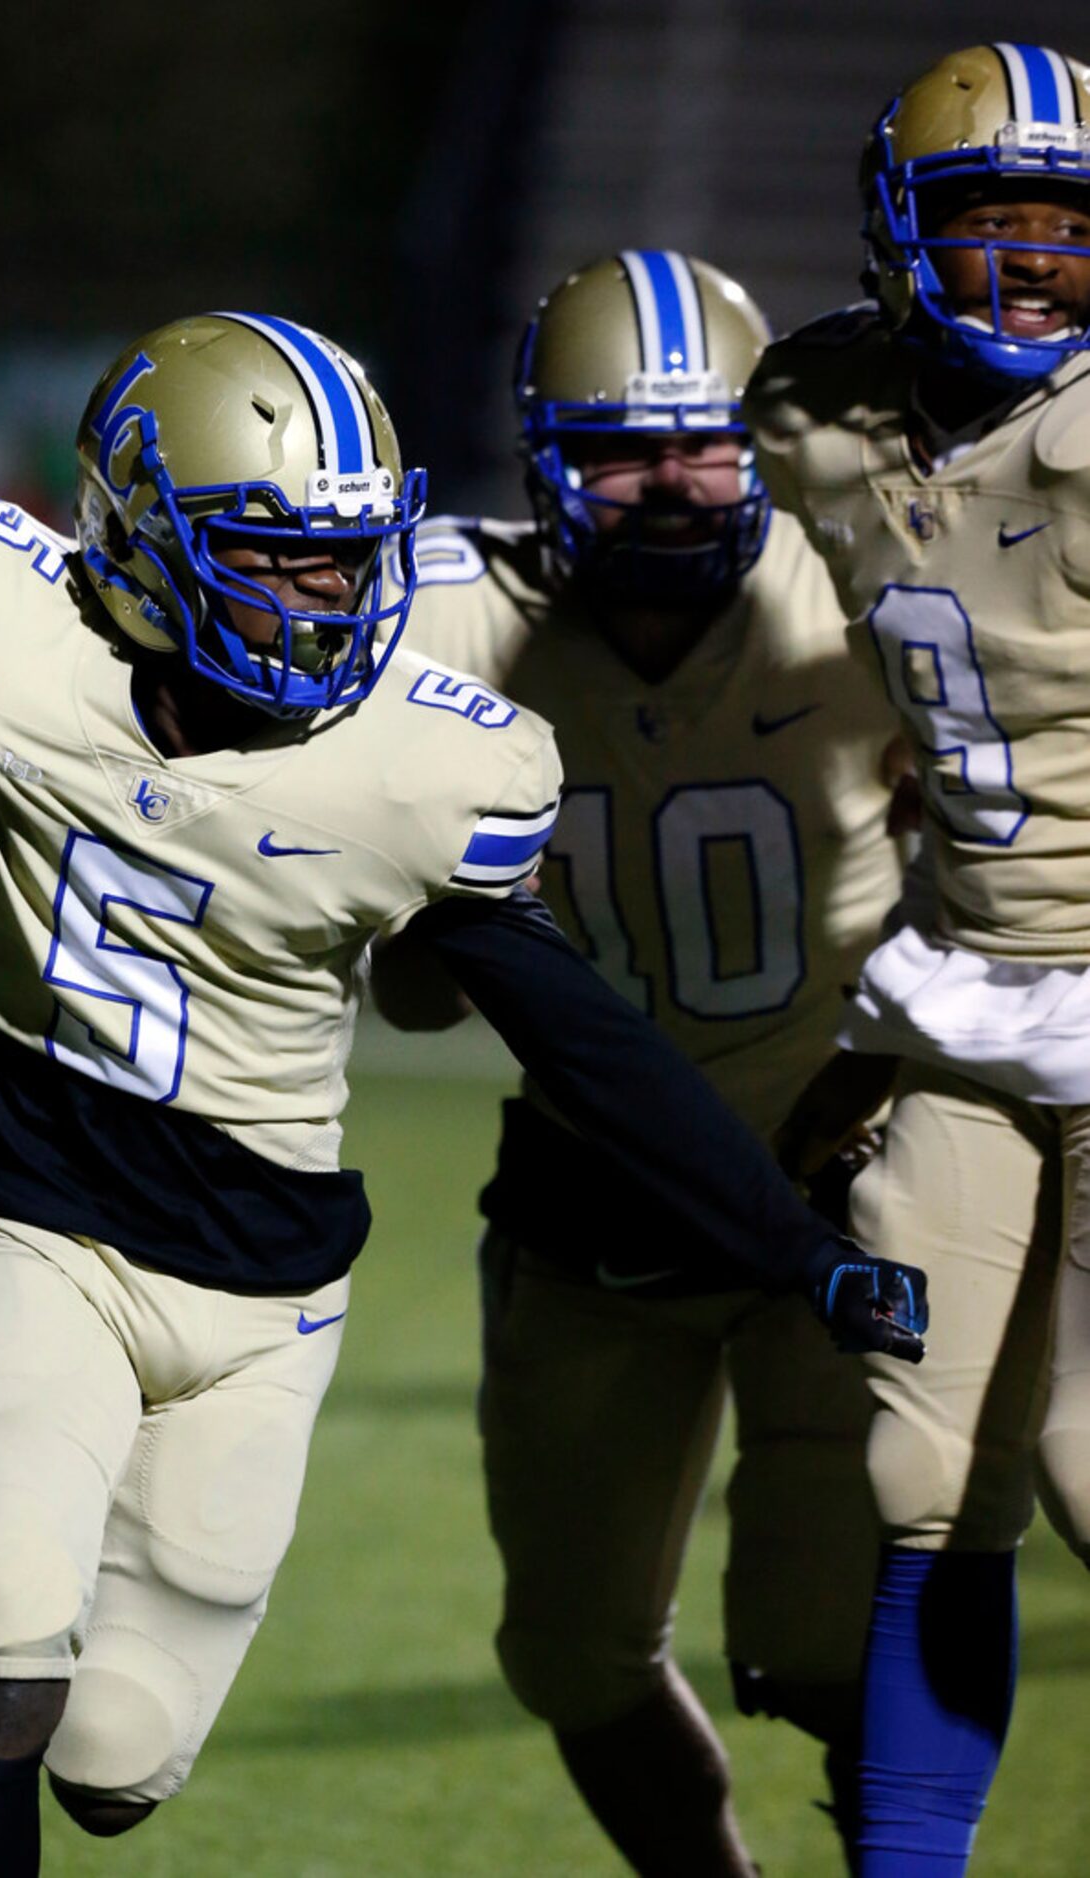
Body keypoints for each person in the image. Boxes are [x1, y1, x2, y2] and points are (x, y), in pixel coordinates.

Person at [0, 205, 927, 1878]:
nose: (325, 597)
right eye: (280, 554)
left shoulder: (418, 765)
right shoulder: (22, 658)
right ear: (141, 540)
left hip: (264, 1294)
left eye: (350, 556)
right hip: (43, 1222)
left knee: (115, 1758)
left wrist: (797, 1250)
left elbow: (581, 1040)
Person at [372, 250, 911, 1876]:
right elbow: (407, 998)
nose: (670, 484)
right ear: (543, 461)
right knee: (571, 1651)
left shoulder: (869, 586)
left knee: (827, 1637)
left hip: (843, 1180)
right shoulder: (454, 619)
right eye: (621, 447)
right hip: (598, 1202)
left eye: (704, 441)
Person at [744, 41, 1090, 1875]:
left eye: (1071, 236)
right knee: (921, 1476)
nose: (1038, 269)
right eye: (992, 227)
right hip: (970, 984)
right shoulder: (816, 412)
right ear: (895, 231)